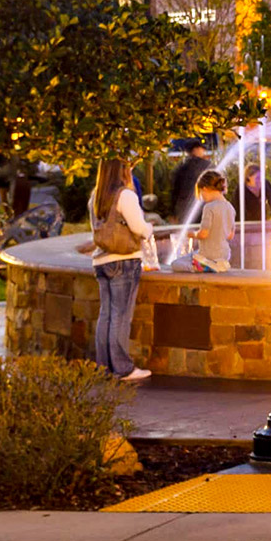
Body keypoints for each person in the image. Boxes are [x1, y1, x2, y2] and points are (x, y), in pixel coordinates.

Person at [82, 157, 154, 382]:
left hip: (102, 260)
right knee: (121, 316)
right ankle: (123, 369)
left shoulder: (96, 196)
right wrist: (150, 228)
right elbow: (138, 227)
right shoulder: (125, 195)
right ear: (121, 171)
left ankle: (104, 367)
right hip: (125, 259)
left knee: (106, 315)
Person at [178, 169, 235, 273]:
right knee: (193, 254)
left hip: (208, 255)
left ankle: (202, 267)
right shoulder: (230, 208)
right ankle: (216, 265)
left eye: (201, 193)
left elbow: (204, 234)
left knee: (176, 264)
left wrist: (190, 234)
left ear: (204, 189)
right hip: (224, 255)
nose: (202, 198)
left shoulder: (209, 207)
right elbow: (230, 235)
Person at [170, 142, 210, 223]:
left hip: (185, 208)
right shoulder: (208, 166)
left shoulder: (181, 167)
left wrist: (173, 212)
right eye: (202, 148)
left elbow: (175, 191)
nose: (203, 151)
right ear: (196, 149)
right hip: (204, 205)